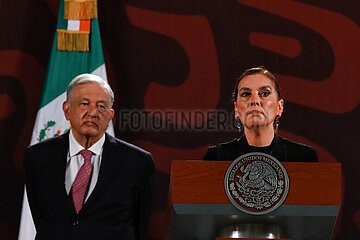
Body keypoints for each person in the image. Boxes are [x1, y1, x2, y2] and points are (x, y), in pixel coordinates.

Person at [24, 73, 154, 240]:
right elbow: (41, 218)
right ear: (67, 110)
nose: (93, 112)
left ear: (110, 116)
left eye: (101, 106)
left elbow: (140, 226)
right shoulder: (38, 157)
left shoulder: (137, 162)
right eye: (84, 104)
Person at [203, 66, 318, 162]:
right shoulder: (217, 156)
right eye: (246, 94)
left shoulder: (303, 157)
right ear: (236, 109)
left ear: (279, 107)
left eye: (264, 93)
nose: (254, 100)